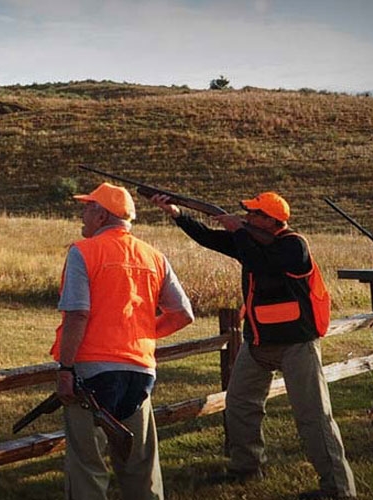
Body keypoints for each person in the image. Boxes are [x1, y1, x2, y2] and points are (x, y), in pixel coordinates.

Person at [150, 192, 355, 499]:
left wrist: (238, 231)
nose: (246, 218)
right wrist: (178, 214)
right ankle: (246, 467)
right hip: (258, 341)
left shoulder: (293, 245)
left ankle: (339, 489)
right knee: (240, 405)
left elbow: (264, 265)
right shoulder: (251, 240)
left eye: (254, 215)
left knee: (313, 416)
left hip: (296, 344)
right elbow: (209, 238)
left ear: (272, 221)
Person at [55, 183, 196, 500]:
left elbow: (77, 314)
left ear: (102, 214)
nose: (83, 213)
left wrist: (65, 370)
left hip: (90, 374)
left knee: (88, 467)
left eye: (88, 207)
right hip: (140, 372)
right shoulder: (154, 256)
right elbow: (183, 313)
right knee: (140, 466)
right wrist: (139, 333)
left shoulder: (84, 251)